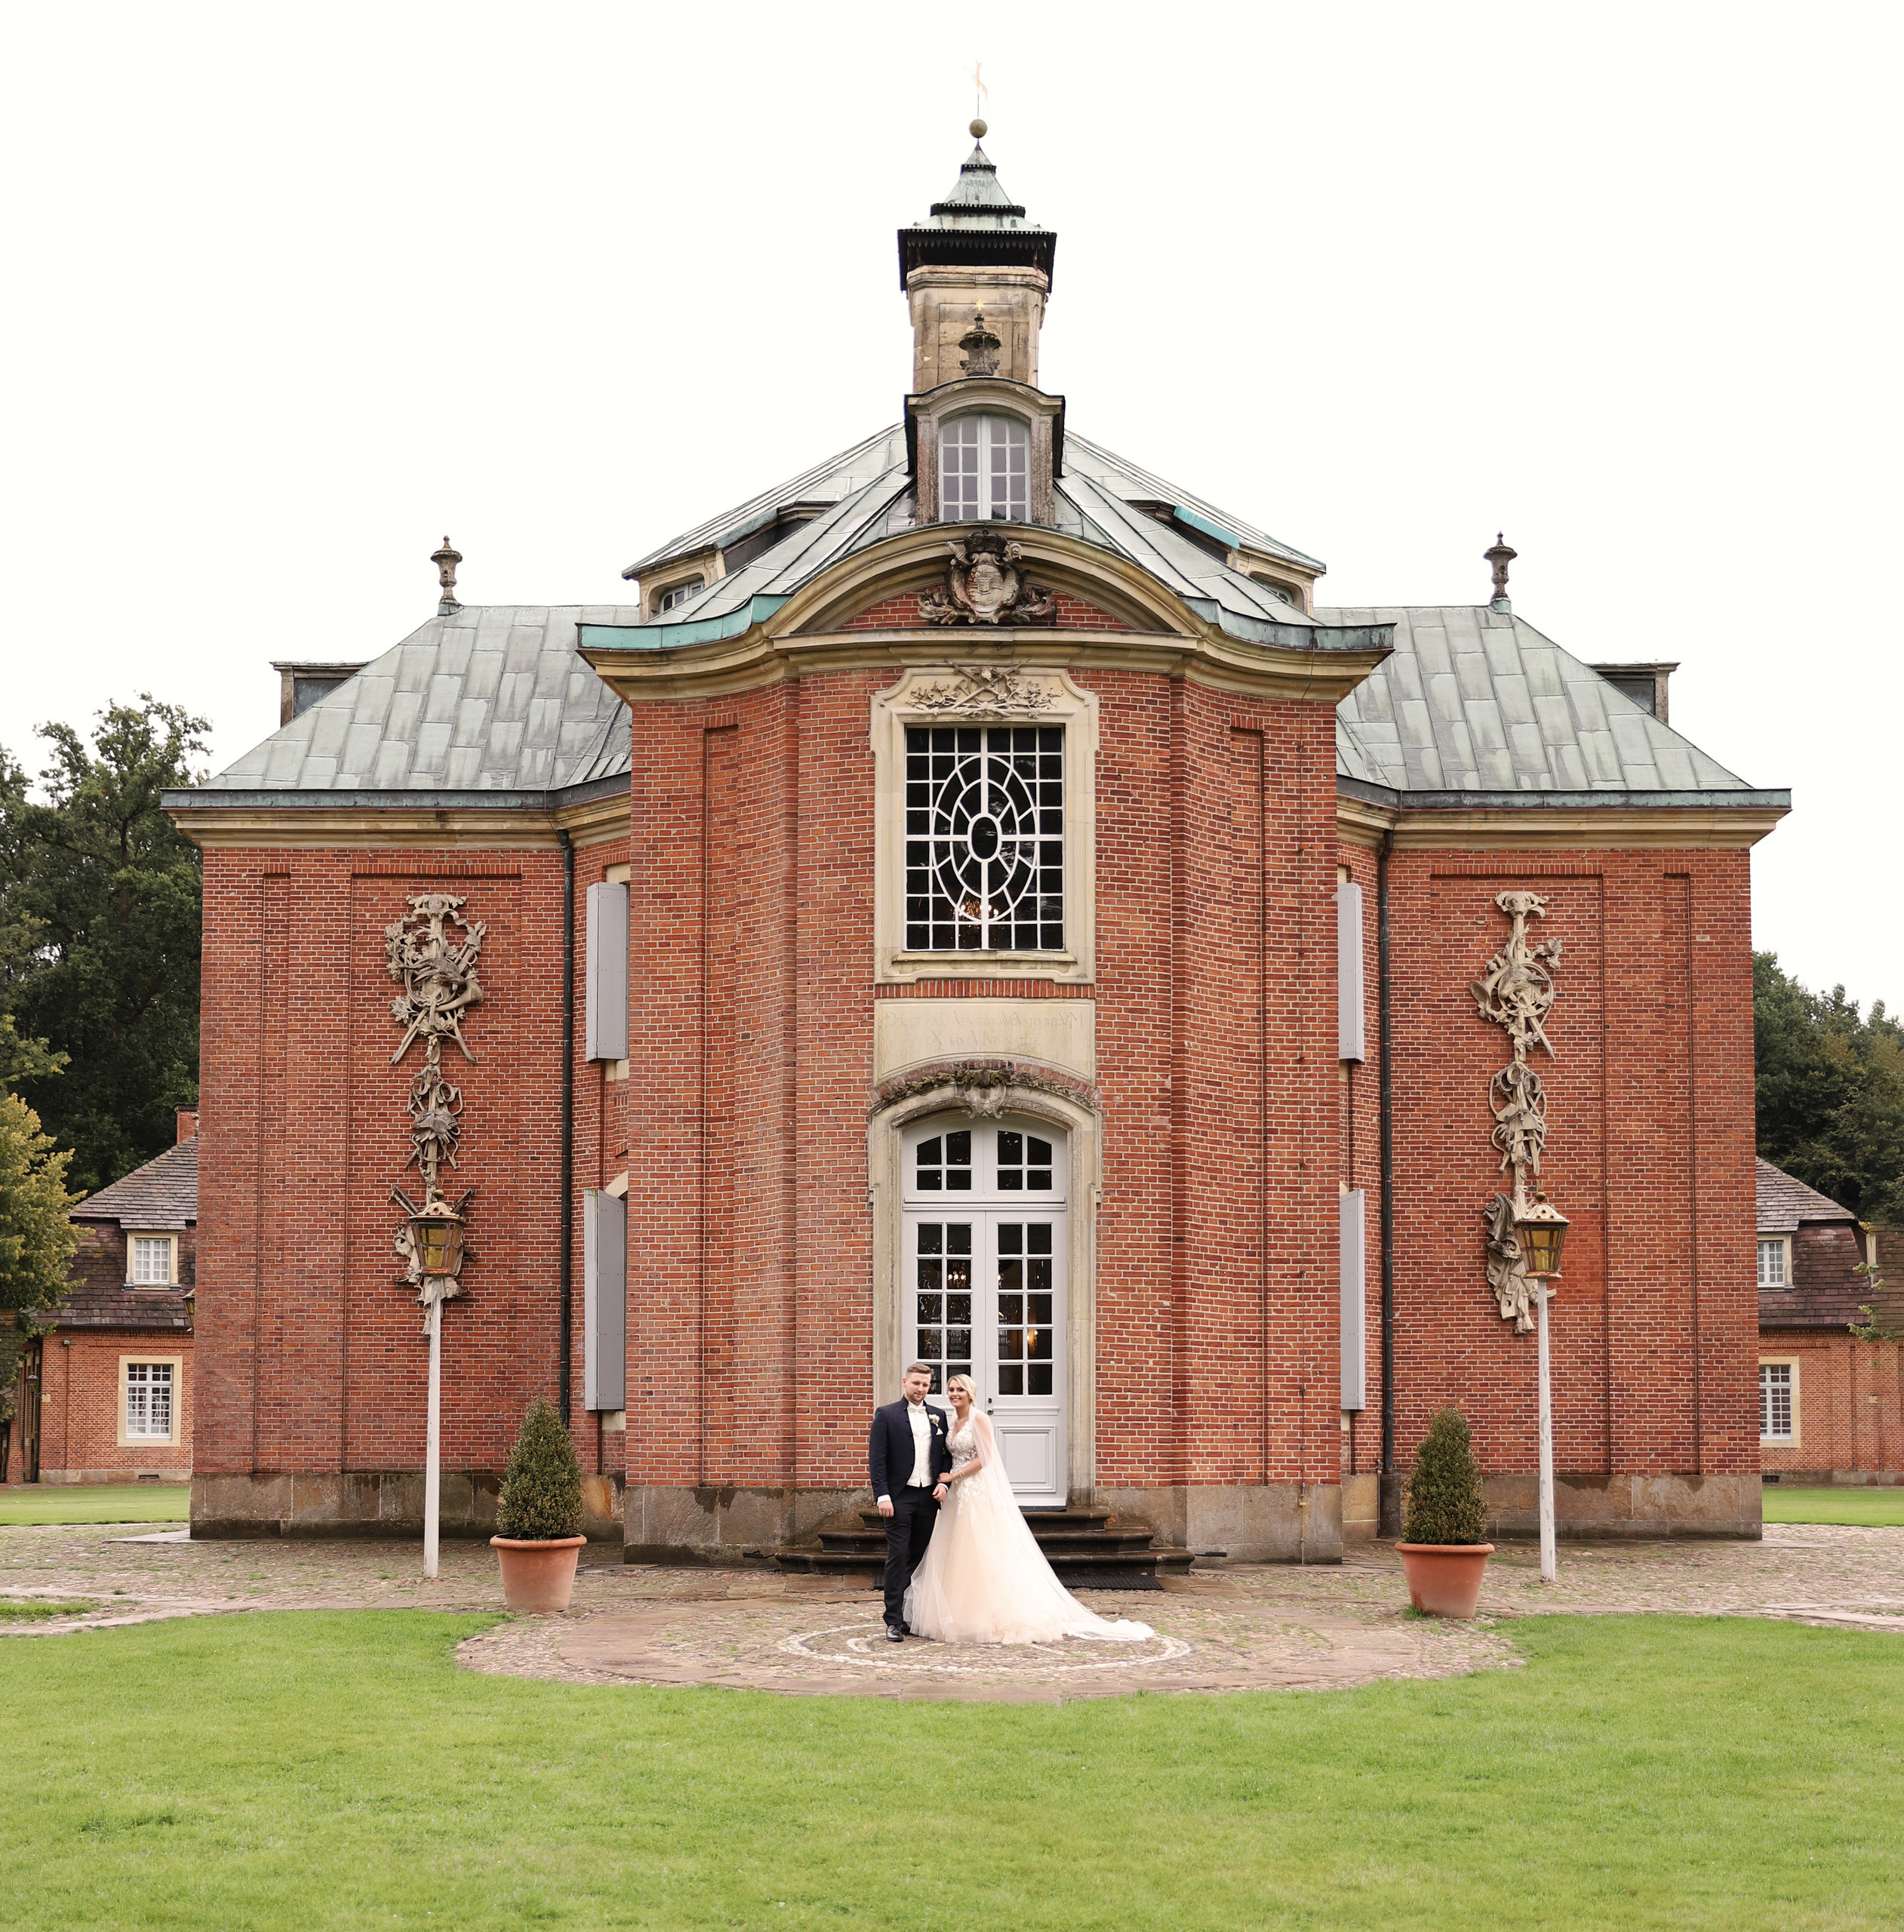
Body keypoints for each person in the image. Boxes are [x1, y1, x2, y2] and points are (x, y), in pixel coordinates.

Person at [904, 1374, 1153, 1645]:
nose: (954, 1394)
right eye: (951, 1389)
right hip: (956, 1496)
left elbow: (986, 1458)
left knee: (980, 1550)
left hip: (975, 1491)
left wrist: (954, 1476)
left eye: (960, 1389)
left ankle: (988, 1617)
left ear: (970, 1393)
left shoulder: (979, 1419)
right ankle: (956, 1614)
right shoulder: (951, 1422)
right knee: (954, 1551)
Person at [869, 1362, 952, 1643]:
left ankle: (906, 1613)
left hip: (928, 1496)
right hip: (898, 1497)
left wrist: (944, 1484)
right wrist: (882, 1495)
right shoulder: (886, 1415)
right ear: (905, 1382)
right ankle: (892, 1620)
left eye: (926, 1385)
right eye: (916, 1383)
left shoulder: (939, 1416)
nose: (920, 1389)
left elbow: (945, 1456)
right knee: (898, 1555)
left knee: (917, 1557)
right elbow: (877, 1459)